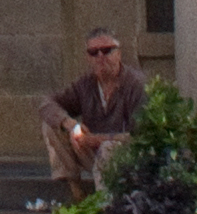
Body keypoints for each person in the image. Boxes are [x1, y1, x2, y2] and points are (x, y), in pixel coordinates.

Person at [39, 28, 147, 198]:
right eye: (93, 52)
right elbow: (47, 104)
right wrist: (70, 124)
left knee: (108, 148)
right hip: (91, 152)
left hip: (126, 158)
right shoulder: (86, 84)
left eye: (106, 50)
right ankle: (76, 192)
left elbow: (140, 137)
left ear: (118, 53)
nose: (100, 57)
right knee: (52, 125)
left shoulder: (136, 84)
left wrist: (99, 140)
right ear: (87, 57)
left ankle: (108, 205)